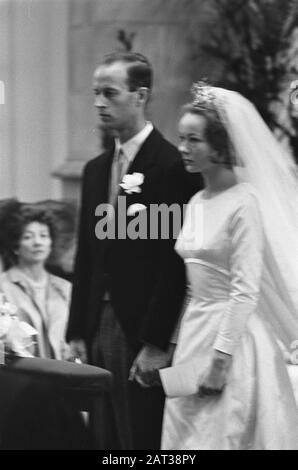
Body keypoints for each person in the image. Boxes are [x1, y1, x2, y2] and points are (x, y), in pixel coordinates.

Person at [66, 52, 203, 449]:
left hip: (142, 324)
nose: (99, 103)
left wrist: (157, 341)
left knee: (140, 435)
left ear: (140, 96)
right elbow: (88, 256)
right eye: (95, 93)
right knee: (104, 435)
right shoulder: (95, 169)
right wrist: (77, 329)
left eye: (110, 93)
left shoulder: (171, 165)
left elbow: (172, 263)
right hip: (98, 322)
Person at [159, 84, 298, 450]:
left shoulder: (245, 203)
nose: (183, 148)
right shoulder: (195, 201)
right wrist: (171, 346)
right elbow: (192, 287)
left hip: (232, 339)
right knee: (182, 439)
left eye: (195, 140)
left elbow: (245, 290)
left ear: (220, 147)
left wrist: (221, 360)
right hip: (194, 333)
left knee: (218, 436)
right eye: (182, 138)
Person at [0, 203, 71, 360]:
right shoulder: (3, 287)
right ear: (15, 246)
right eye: (28, 237)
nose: (37, 242)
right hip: (22, 376)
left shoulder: (65, 288)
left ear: (51, 243)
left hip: (64, 376)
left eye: (44, 236)